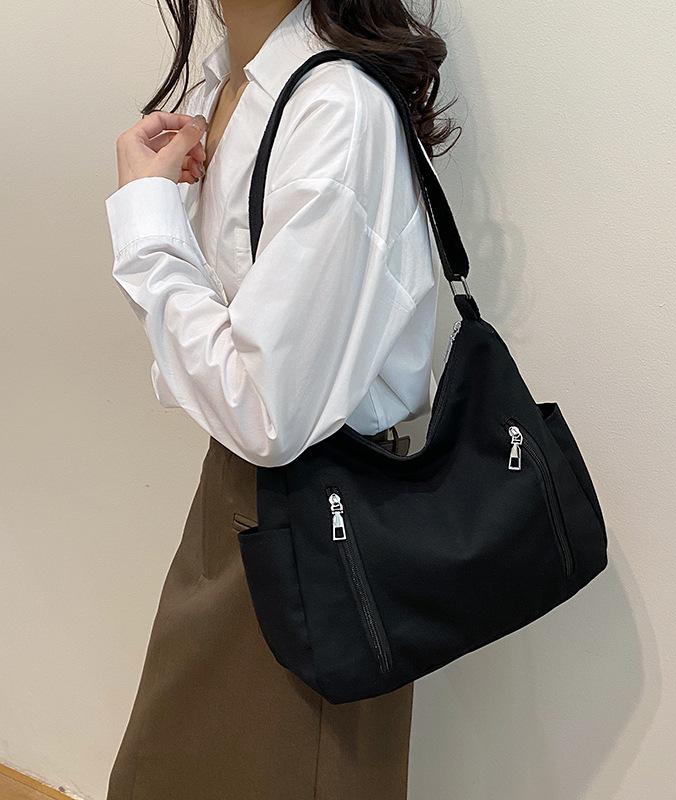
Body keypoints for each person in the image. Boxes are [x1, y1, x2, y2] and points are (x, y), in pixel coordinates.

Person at [104, 0, 457, 796]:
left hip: (319, 524)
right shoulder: (226, 84)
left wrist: (148, 227)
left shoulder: (337, 108)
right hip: (241, 499)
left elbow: (266, 410)